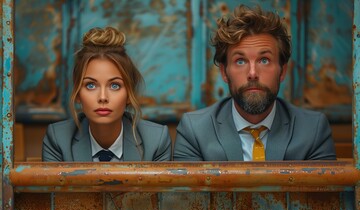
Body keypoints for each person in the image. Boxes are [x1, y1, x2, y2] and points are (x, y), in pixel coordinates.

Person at [173, 5, 336, 161]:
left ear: (283, 71)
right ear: (224, 72)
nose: (252, 74)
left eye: (264, 60)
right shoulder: (195, 130)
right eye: (240, 61)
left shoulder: (313, 129)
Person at [42, 27, 172, 162]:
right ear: (78, 94)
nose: (103, 97)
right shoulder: (58, 139)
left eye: (115, 86)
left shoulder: (156, 140)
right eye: (90, 85)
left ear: (128, 94)